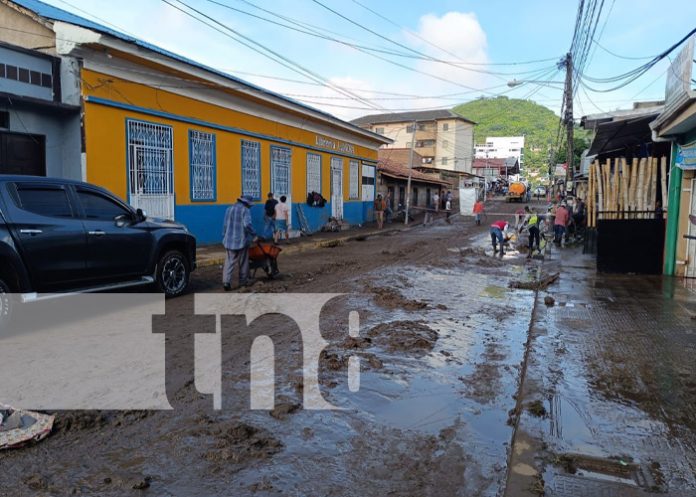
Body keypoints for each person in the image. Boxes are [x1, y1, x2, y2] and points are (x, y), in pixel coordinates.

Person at [222, 195, 257, 291]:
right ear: (246, 203)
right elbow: (247, 225)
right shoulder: (245, 211)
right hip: (241, 241)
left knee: (229, 262)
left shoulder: (229, 209)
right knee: (243, 262)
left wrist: (224, 236)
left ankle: (226, 282)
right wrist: (254, 235)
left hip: (229, 241)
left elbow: (225, 225)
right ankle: (242, 281)